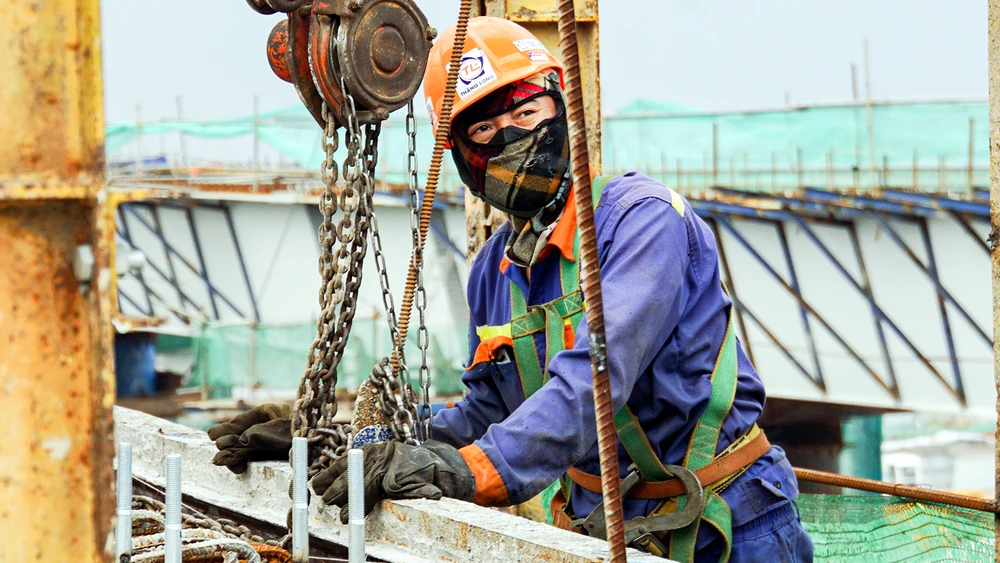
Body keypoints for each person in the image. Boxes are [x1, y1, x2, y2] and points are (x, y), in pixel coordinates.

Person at [209, 17, 814, 562]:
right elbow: (487, 409)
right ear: (464, 159)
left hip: (730, 529)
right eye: (485, 130)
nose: (511, 138)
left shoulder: (642, 221)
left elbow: (594, 383)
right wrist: (339, 442)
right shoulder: (497, 268)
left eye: (526, 114)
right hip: (605, 531)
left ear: (560, 107)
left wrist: (464, 473)